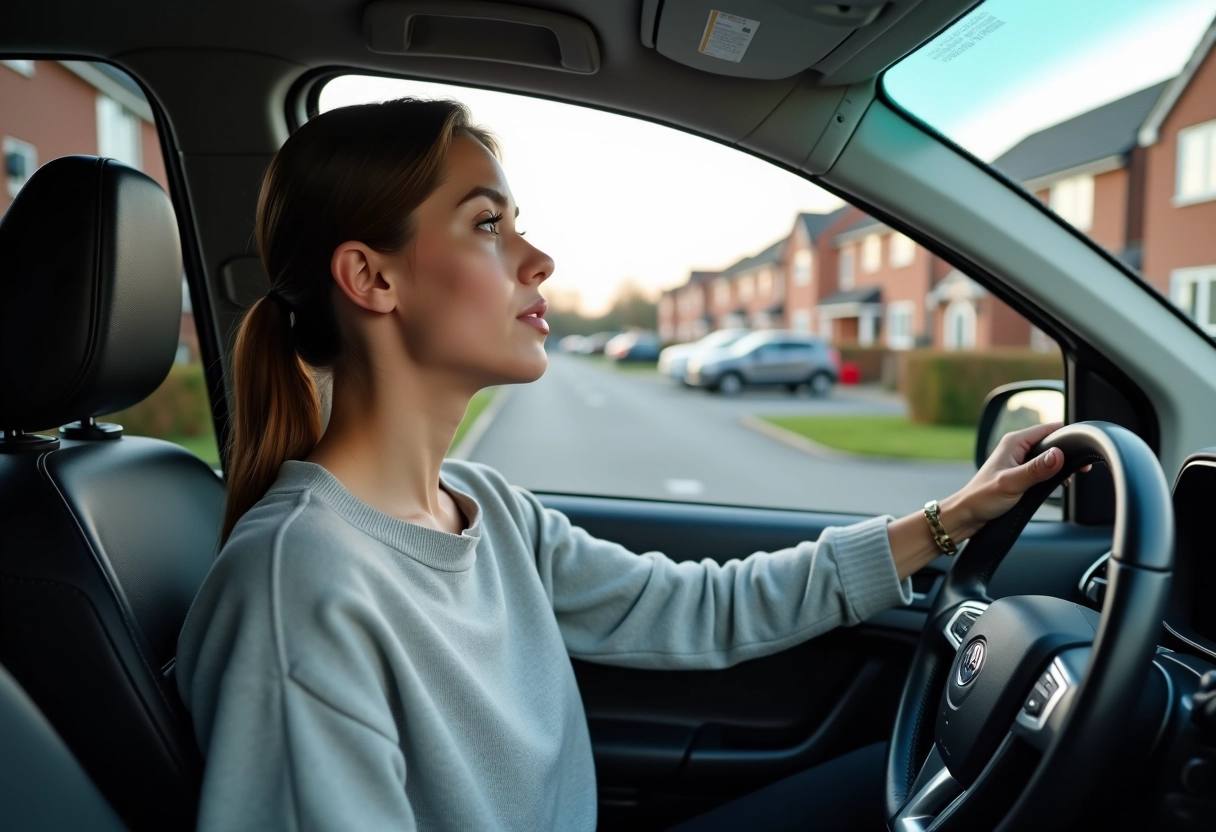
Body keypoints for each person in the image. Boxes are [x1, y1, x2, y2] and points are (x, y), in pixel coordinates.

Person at [175, 98, 1073, 832]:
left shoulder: (486, 506)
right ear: (373, 279)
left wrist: (950, 519)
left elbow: (694, 608)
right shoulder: (300, 586)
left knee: (916, 781)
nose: (539, 260)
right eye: (487, 224)